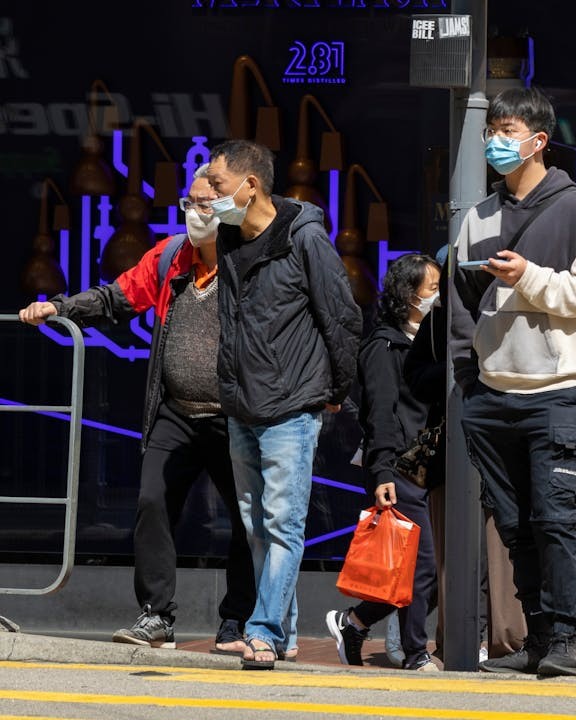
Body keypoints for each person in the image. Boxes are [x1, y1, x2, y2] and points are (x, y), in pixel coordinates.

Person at [17, 166, 254, 656]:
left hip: (236, 416)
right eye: (189, 204)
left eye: (205, 203)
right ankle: (157, 617)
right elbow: (115, 299)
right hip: (177, 410)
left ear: (230, 205)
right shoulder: (170, 256)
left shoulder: (250, 262)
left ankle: (237, 621)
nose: (196, 213)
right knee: (152, 503)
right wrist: (58, 307)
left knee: (246, 519)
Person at [451, 87, 576, 678]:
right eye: (490, 129)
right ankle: (540, 639)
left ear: (538, 141)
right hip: (493, 390)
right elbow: (463, 304)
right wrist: (470, 377)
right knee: (514, 522)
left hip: (559, 388)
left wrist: (531, 278)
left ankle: (566, 642)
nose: (494, 140)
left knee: (557, 517)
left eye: (506, 130)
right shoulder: (478, 216)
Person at [205, 139, 361, 670]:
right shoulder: (227, 237)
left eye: (218, 184)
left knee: (284, 522)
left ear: (251, 186)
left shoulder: (305, 238)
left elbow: (339, 316)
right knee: (256, 524)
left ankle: (264, 629)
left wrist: (337, 390)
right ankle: (284, 632)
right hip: (242, 405)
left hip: (292, 405)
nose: (211, 194)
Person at [405, 245, 525, 667]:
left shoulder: (514, 310)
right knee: (452, 553)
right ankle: (454, 640)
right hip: (451, 453)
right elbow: (414, 378)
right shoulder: (437, 321)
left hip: (504, 452)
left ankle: (506, 643)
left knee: (503, 551)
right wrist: (457, 371)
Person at [325, 254, 442, 672]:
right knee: (420, 564)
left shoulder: (427, 343)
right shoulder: (383, 346)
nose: (438, 296)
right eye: (432, 289)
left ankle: (354, 622)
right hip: (401, 469)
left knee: (418, 566)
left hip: (430, 467)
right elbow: (380, 415)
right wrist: (383, 472)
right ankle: (415, 653)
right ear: (410, 296)